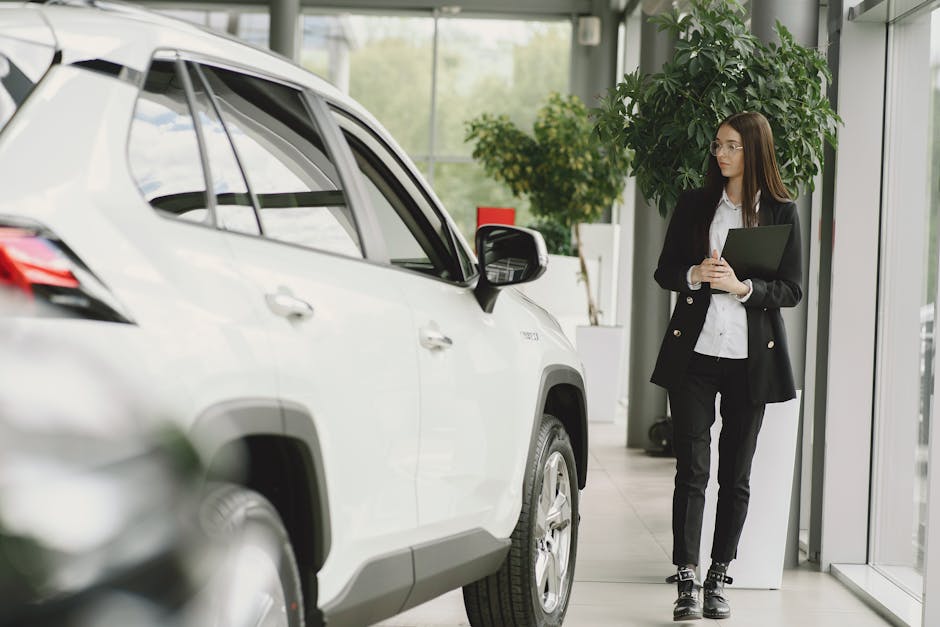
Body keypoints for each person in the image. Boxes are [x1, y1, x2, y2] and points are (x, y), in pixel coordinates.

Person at [650, 111, 802, 621]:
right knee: (691, 471)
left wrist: (744, 289)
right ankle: (687, 580)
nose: (720, 154)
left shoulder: (781, 211)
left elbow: (792, 289)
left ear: (754, 150)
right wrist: (694, 273)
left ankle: (719, 576)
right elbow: (665, 271)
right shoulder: (696, 204)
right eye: (717, 145)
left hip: (749, 361)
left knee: (735, 475)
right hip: (693, 356)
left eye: (731, 146)